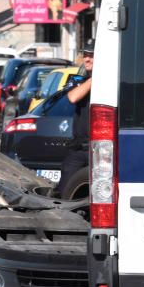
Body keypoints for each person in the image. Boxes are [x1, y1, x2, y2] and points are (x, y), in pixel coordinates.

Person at [53, 40, 95, 199]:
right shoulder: (82, 80)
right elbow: (73, 97)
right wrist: (94, 78)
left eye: (92, 56)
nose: (87, 59)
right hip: (78, 148)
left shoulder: (110, 82)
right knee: (65, 191)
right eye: (85, 55)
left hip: (98, 149)